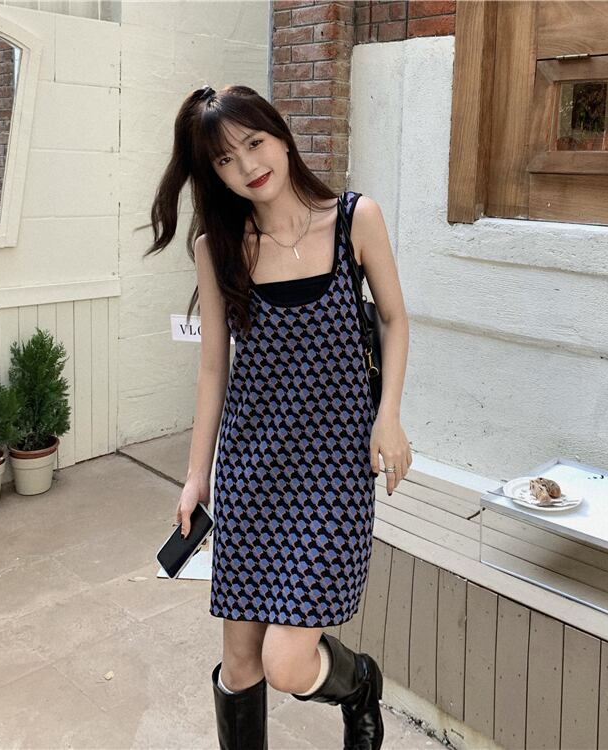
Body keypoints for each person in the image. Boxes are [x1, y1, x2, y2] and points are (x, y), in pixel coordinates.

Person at [145, 84, 411, 750]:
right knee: (240, 666)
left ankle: (360, 685)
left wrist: (389, 416)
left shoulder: (354, 219)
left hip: (332, 475)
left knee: (286, 663)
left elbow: (394, 318)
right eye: (225, 160)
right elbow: (213, 369)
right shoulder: (219, 247)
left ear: (282, 136)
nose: (247, 166)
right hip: (251, 473)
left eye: (254, 143)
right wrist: (196, 477)